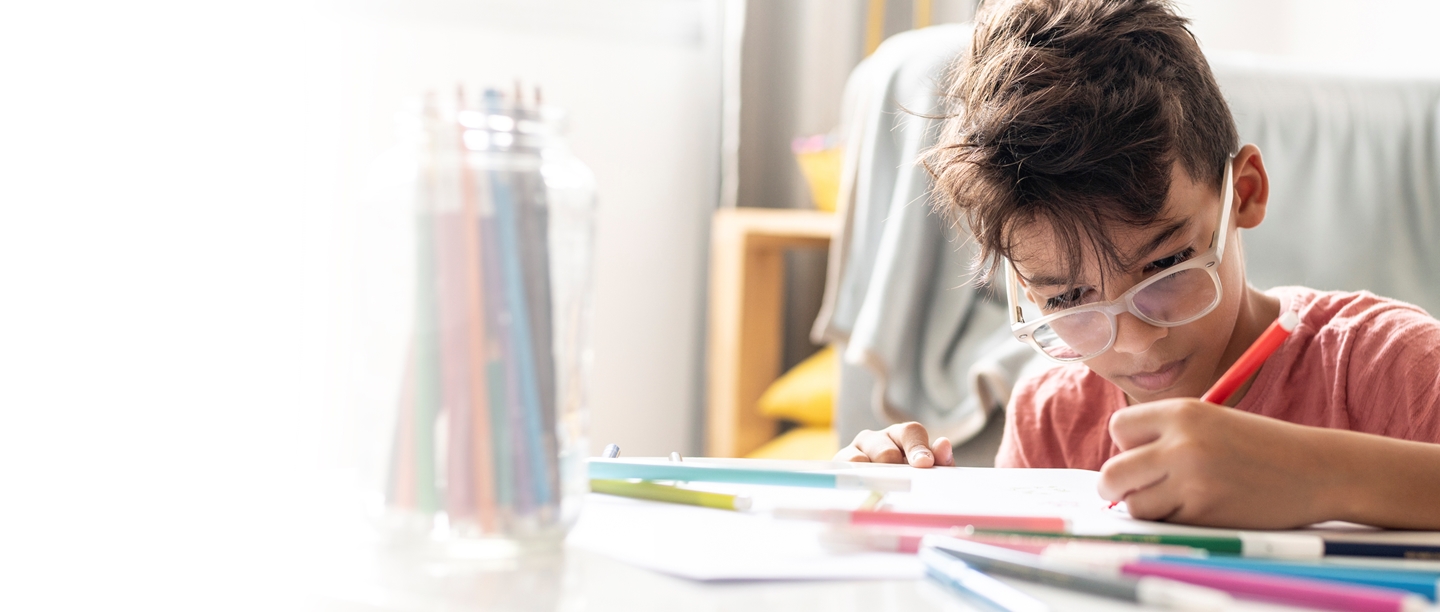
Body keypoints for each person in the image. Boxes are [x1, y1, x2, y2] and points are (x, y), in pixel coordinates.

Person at [835, 0, 1440, 529]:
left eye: (1167, 265)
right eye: (1068, 299)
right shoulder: (1050, 418)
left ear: (1245, 193)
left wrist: (1320, 474)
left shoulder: (1386, 365)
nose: (1136, 341)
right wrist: (919, 516)